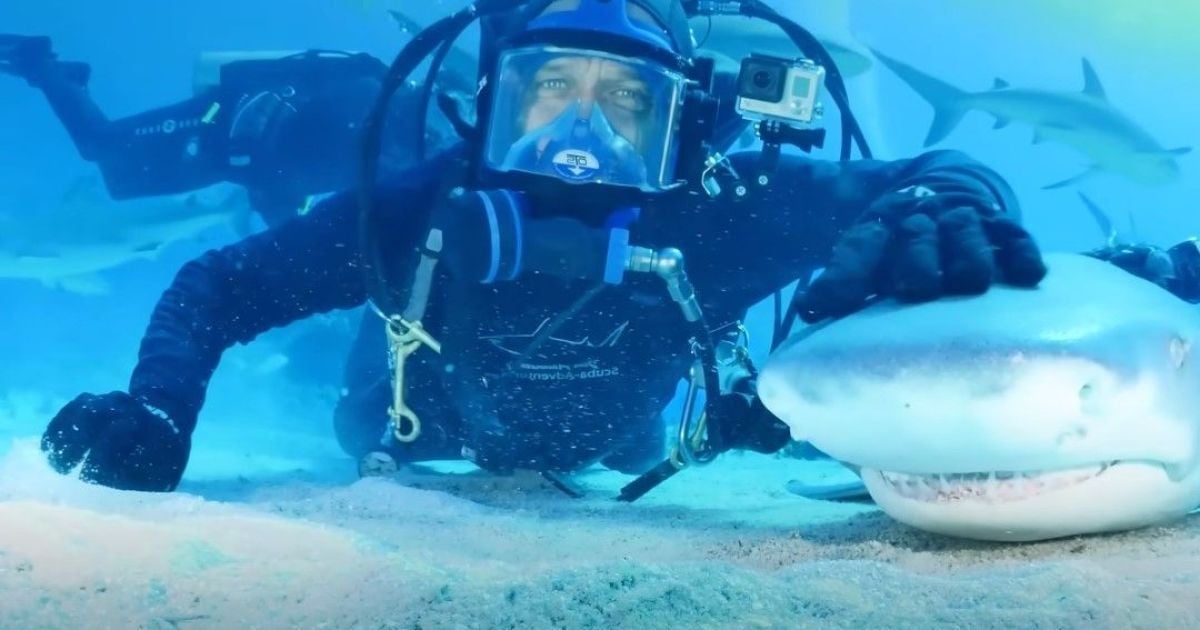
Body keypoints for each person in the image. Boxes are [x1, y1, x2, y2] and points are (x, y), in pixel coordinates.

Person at [38, 0, 1047, 493]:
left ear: (683, 129)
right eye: (547, 94)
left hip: (618, 446)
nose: (580, 136)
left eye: (625, 104)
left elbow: (938, 170)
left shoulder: (723, 208)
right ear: (489, 107)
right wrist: (160, 408)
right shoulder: (421, 208)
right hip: (412, 429)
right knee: (333, 382)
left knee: (633, 445)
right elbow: (217, 285)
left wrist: (952, 201)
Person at [0, 34, 457, 227]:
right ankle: (41, 62)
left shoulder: (398, 158)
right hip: (217, 123)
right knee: (98, 145)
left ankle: (69, 83)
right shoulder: (366, 100)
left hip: (223, 164)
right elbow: (277, 145)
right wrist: (282, 218)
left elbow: (302, 179)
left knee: (122, 184)